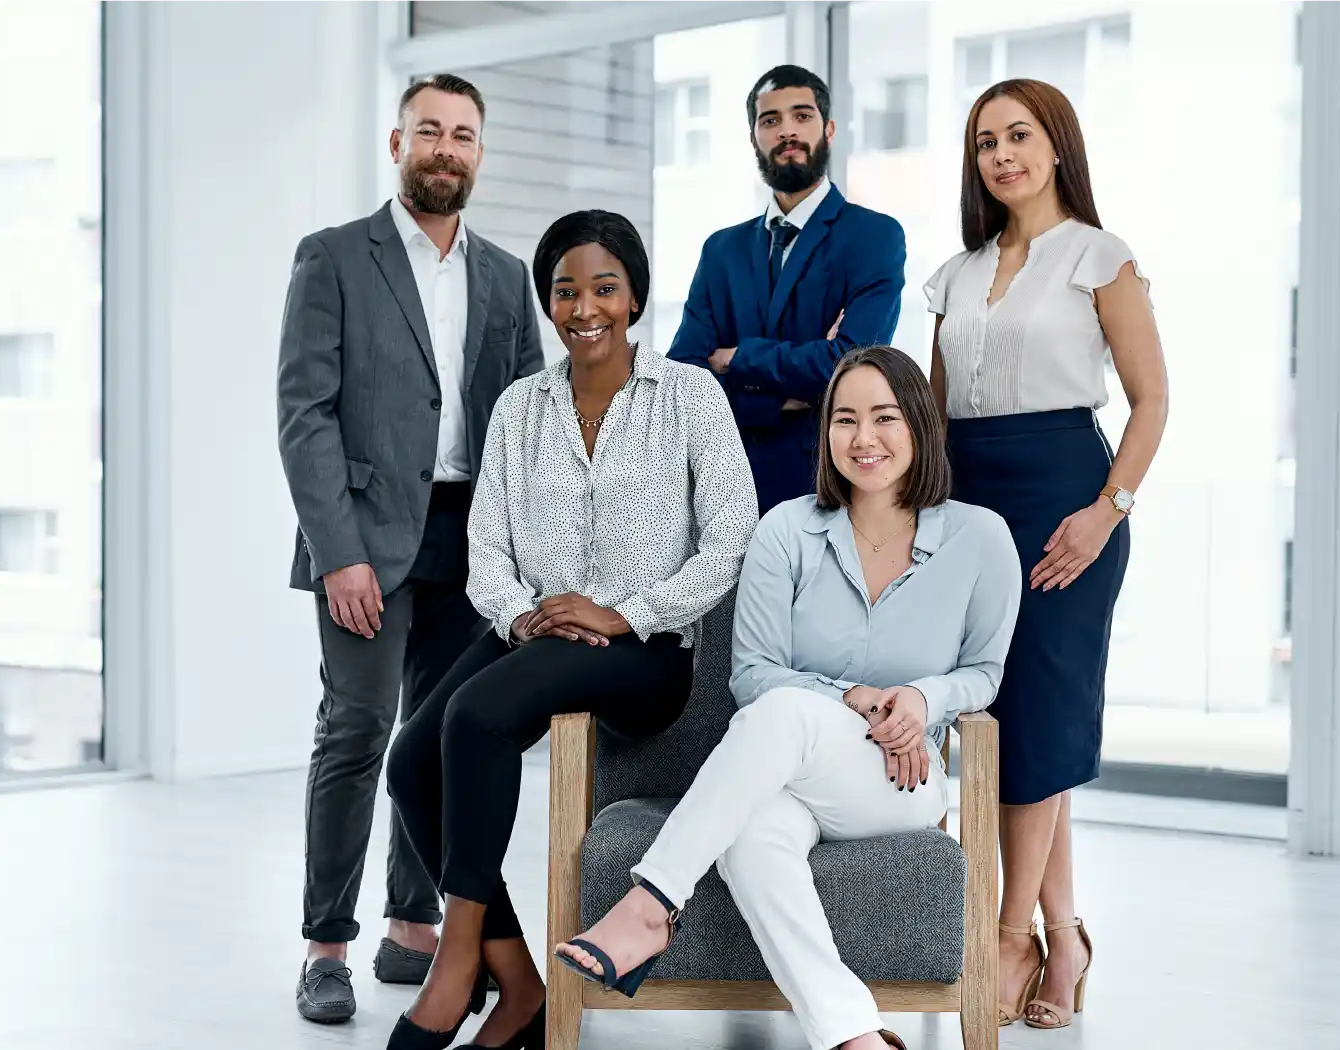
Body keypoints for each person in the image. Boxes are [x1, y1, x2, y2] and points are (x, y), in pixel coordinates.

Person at [552, 345, 1022, 1050]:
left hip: (899, 776)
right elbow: (754, 677)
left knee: (782, 719)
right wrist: (856, 697)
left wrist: (924, 698)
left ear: (922, 427)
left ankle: (650, 904)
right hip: (787, 771)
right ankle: (855, 1034)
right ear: (825, 432)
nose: (864, 439)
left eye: (886, 418)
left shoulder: (982, 538)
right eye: (845, 420)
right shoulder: (786, 532)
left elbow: (984, 673)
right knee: (752, 836)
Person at [382, 210, 756, 1050]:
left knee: (476, 721)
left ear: (634, 299)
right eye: (566, 290)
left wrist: (625, 613)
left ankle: (457, 968)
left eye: (604, 287)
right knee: (411, 761)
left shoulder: (691, 397)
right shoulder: (520, 408)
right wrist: (522, 615)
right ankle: (517, 983)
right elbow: (487, 546)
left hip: (648, 652)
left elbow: (732, 535)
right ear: (550, 304)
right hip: (535, 632)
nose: (585, 306)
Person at [276, 72, 545, 1025]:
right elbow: (303, 415)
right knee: (354, 730)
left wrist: (516, 553)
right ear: (397, 147)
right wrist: (336, 549)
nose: (445, 147)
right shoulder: (335, 258)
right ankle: (324, 947)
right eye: (428, 131)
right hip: (363, 538)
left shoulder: (509, 277)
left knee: (434, 736)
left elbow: (524, 423)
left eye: (463, 135)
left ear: (479, 153)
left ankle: (415, 930)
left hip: (469, 540)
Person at [923, 79, 1168, 1031]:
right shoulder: (954, 274)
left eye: (1019, 136)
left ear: (1057, 145)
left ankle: (1010, 934)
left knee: (1042, 717)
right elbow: (935, 419)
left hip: (1068, 497)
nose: (1001, 155)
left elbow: (1150, 401)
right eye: (986, 141)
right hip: (969, 499)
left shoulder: (1101, 258)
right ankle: (1064, 936)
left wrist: (1107, 512)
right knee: (1005, 722)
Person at [669, 64, 907, 517]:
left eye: (802, 116)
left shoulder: (874, 236)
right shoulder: (722, 250)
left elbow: (850, 365)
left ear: (829, 129)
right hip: (728, 488)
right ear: (754, 137)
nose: (786, 131)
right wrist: (783, 397)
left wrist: (736, 359)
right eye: (770, 120)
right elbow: (686, 379)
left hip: (828, 486)